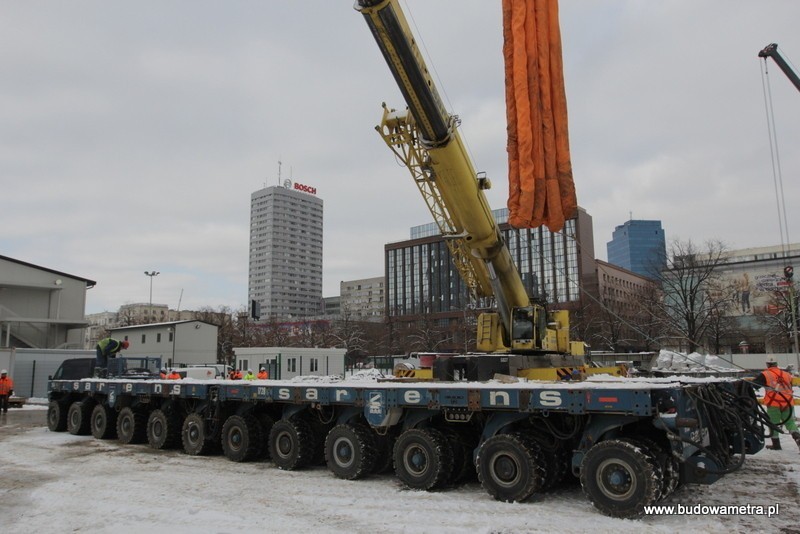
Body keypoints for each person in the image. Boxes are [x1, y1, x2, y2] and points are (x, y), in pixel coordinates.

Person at [752, 357, 800, 451]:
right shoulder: (786, 374)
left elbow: (754, 385)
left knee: (773, 424)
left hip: (774, 403)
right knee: (790, 423)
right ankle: (798, 439)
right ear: (776, 364)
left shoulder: (765, 374)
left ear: (767, 364)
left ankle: (776, 445)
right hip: (788, 402)